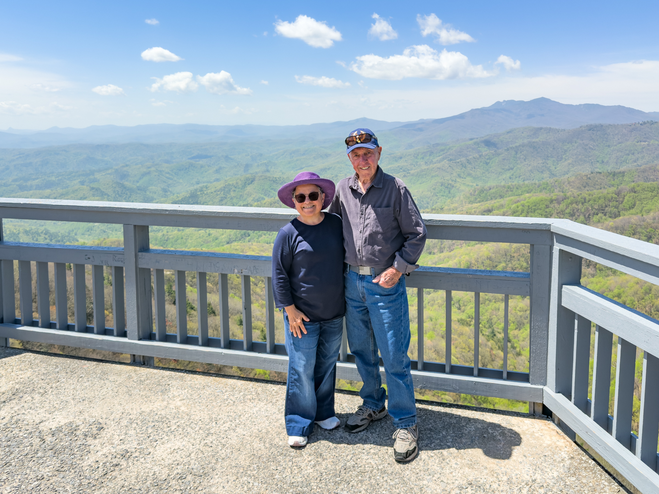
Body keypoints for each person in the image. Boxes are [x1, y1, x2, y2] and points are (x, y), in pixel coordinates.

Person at [328, 128, 427, 462]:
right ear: (350, 159)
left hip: (384, 285)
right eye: (356, 155)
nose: (363, 159)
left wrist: (397, 269)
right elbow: (330, 229)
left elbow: (417, 233)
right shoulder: (342, 189)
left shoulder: (395, 188)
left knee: (394, 353)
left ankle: (406, 422)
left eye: (368, 153)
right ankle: (373, 405)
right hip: (351, 282)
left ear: (379, 153)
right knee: (362, 350)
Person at [272, 171, 346, 448]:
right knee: (301, 368)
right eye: (301, 197)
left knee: (326, 366)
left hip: (334, 312)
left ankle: (323, 413)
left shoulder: (336, 224)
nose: (307, 201)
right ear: (293, 201)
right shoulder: (288, 233)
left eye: (313, 195)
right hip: (301, 316)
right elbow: (279, 275)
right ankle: (298, 422)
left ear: (323, 198)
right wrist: (289, 310)